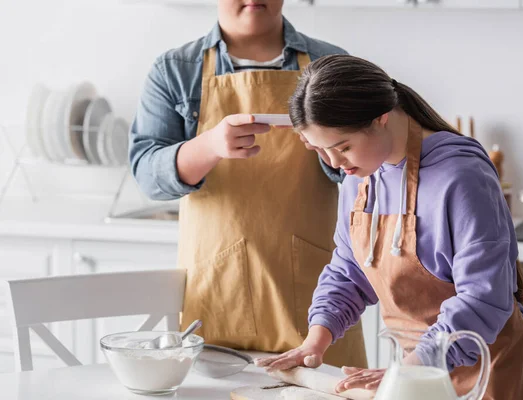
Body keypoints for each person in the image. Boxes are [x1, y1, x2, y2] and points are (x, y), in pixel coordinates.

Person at [256, 55, 523, 400]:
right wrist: (315, 341)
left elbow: (484, 297)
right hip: (416, 379)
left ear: (381, 118)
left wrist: (412, 370)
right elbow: (350, 270)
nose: (335, 164)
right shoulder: (361, 174)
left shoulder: (461, 177)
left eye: (343, 147)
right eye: (321, 151)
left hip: (492, 377)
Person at [128, 1, 367, 368]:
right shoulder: (175, 70)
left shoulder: (329, 63)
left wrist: (329, 147)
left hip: (317, 304)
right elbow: (148, 174)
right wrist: (209, 145)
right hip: (217, 293)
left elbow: (365, 168)